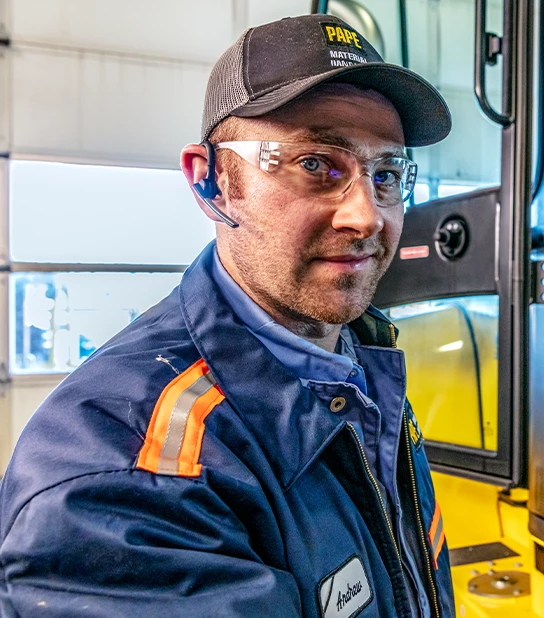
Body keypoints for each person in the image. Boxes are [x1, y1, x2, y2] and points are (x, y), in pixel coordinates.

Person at [0, 14, 454, 618]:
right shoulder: (124, 476)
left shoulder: (359, 364)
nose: (367, 217)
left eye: (387, 174)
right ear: (210, 181)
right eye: (315, 164)